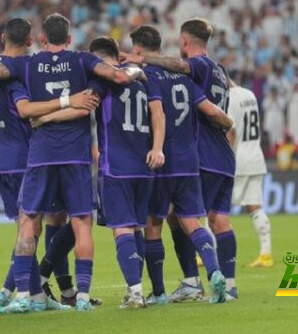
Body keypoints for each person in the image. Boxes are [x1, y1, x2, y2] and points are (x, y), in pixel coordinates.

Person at [0, 13, 143, 312]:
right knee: (81, 224)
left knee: (28, 222)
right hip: (76, 156)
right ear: (69, 37)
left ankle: (25, 296)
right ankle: (80, 296)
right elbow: (117, 77)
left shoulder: (27, 64)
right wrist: (135, 69)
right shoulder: (82, 61)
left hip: (39, 156)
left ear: (41, 39)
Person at [122, 18, 239, 301]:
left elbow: (179, 71)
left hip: (202, 155)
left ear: (185, 41)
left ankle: (190, 281)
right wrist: (228, 122)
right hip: (223, 155)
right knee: (217, 220)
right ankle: (229, 284)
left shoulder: (194, 67)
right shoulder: (220, 71)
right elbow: (211, 109)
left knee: (175, 219)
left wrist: (141, 59)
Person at [85, 36, 165, 308]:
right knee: (137, 228)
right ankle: (137, 288)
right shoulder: (143, 83)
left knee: (121, 229)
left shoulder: (103, 79)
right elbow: (158, 114)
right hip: (144, 165)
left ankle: (135, 293)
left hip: (116, 166)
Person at [227, 81, 272, 268]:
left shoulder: (228, 98)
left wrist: (225, 157)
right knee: (255, 207)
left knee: (214, 208)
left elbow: (231, 130)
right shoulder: (250, 95)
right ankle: (266, 254)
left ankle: (210, 251)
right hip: (255, 156)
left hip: (238, 159)